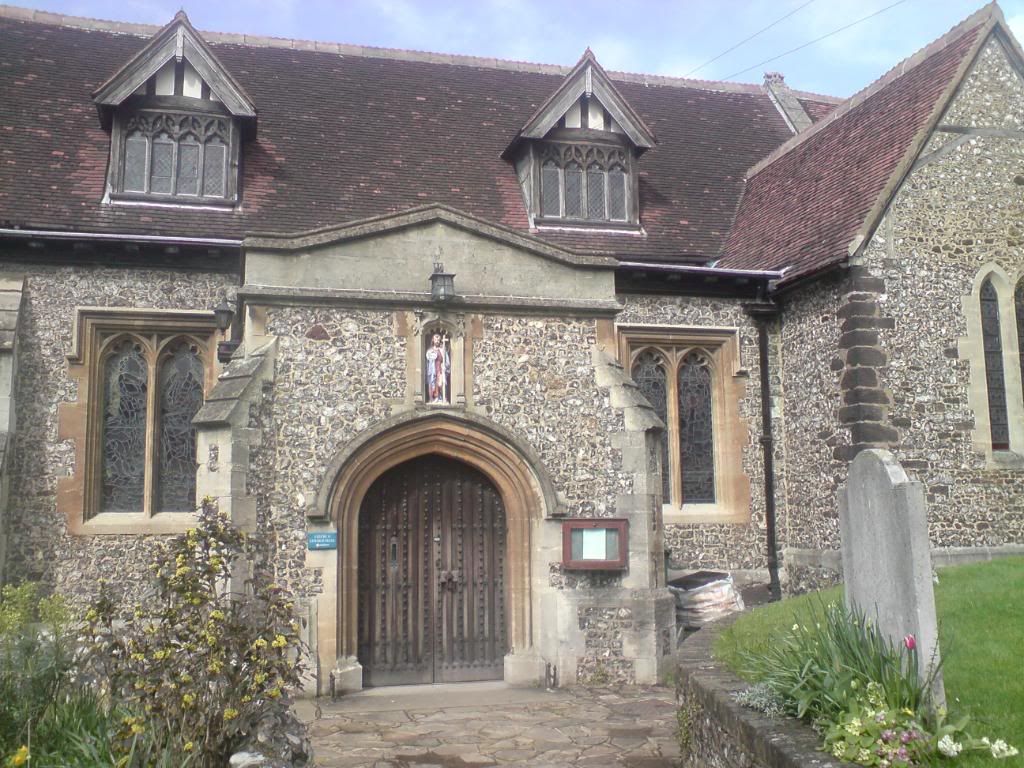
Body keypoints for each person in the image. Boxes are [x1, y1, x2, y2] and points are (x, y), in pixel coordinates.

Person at [425, 332, 450, 403]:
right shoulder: (430, 351)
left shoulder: (442, 350)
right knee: (432, 383)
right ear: (433, 340)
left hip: (440, 369)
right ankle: (433, 398)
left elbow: (446, 360)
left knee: (441, 383)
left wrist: (445, 366)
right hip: (432, 369)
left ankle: (442, 398)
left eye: (439, 340)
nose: (437, 341)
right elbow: (428, 360)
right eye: (436, 339)